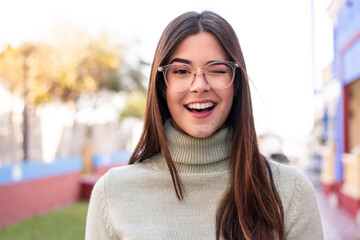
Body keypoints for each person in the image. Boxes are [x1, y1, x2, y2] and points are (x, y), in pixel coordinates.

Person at [85, 11, 324, 240]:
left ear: (237, 83)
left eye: (217, 70)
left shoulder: (291, 192)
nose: (199, 85)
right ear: (161, 86)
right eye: (181, 70)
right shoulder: (112, 193)